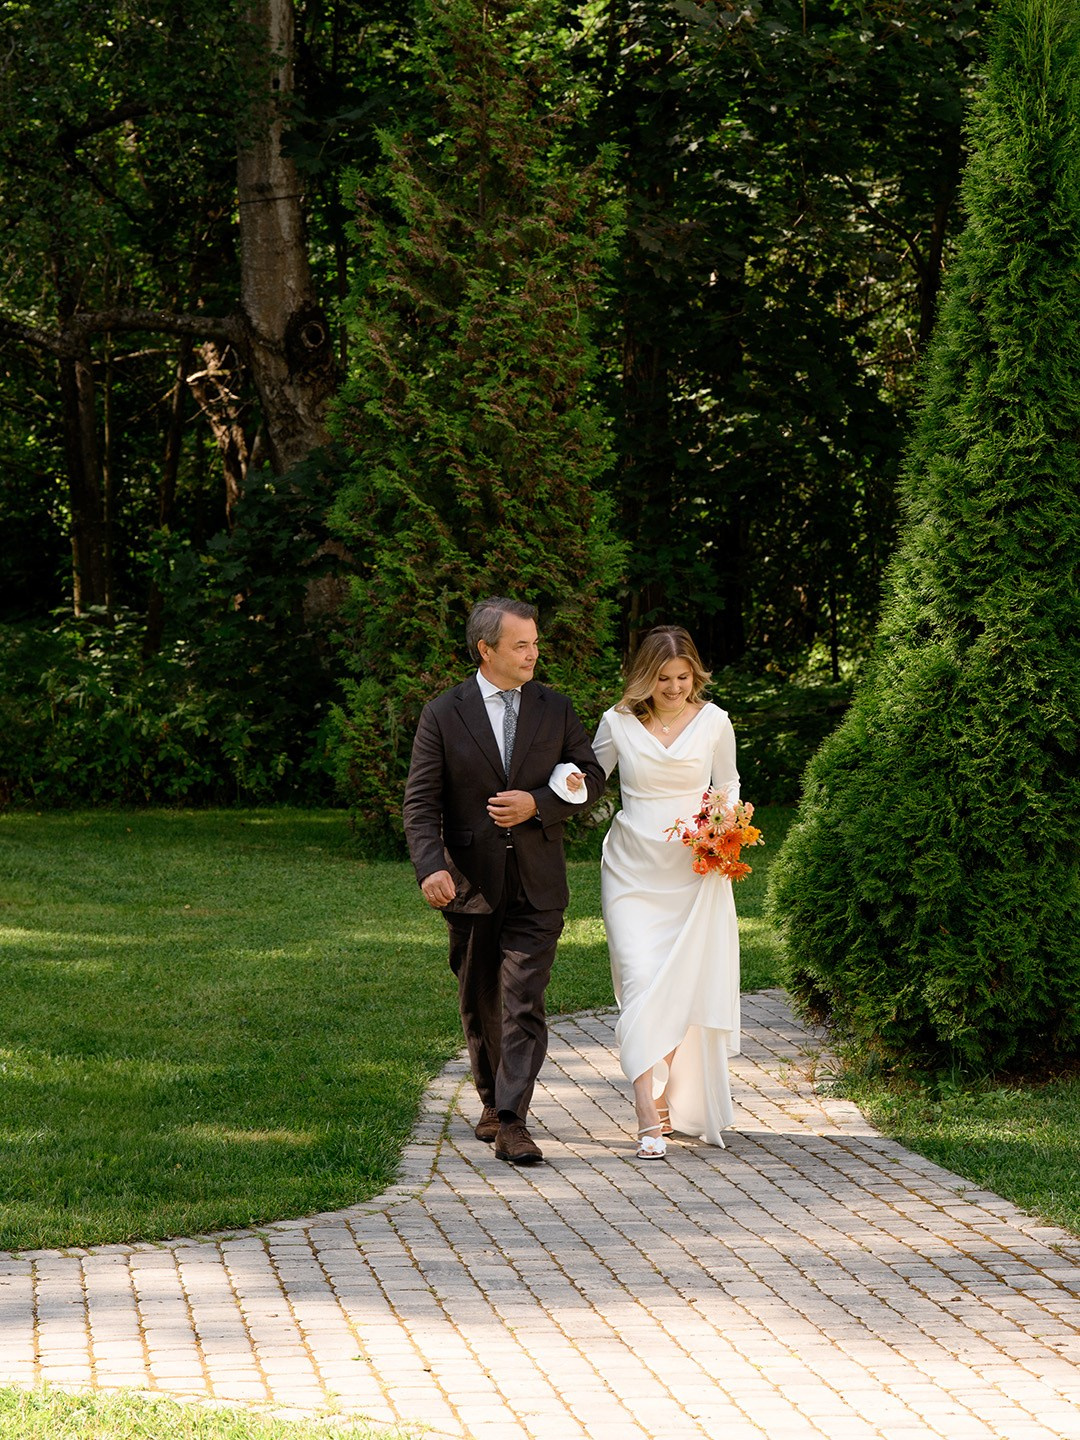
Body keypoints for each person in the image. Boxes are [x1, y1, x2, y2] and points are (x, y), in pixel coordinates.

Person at [402, 597, 605, 1165]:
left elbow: (590, 779)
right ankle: (491, 1098)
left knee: (524, 999)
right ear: (485, 649)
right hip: (470, 884)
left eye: (535, 643)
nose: (533, 654)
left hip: (538, 883)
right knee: (480, 997)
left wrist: (538, 803)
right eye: (521, 645)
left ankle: (513, 1119)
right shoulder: (443, 713)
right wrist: (431, 866)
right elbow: (420, 803)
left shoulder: (555, 708)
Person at [566, 626, 741, 1159]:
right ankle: (646, 1110)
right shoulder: (617, 722)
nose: (673, 687)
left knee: (682, 985)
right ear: (645, 676)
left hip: (693, 870)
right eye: (662, 678)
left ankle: (667, 1102)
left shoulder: (714, 722)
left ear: (696, 675)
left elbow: (727, 784)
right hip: (631, 868)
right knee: (640, 978)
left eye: (682, 677)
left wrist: (725, 823)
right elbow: (592, 777)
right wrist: (569, 785)